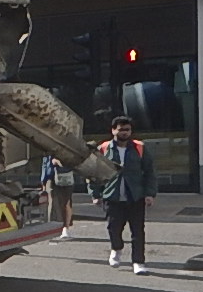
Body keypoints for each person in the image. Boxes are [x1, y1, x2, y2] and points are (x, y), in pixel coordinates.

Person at [88, 115, 157, 275]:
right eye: (121, 130)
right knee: (114, 228)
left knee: (138, 231)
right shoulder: (104, 149)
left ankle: (138, 262)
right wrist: (95, 194)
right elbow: (94, 173)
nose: (125, 133)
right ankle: (116, 248)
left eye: (127, 130)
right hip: (112, 196)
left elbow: (149, 172)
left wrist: (149, 193)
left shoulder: (139, 148)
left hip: (135, 196)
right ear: (113, 131)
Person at [40, 153, 76, 240]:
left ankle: (65, 228)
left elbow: (75, 161)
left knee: (67, 203)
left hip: (66, 176)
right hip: (51, 177)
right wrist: (43, 181)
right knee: (53, 203)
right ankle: (52, 227)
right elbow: (45, 162)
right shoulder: (48, 149)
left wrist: (61, 163)